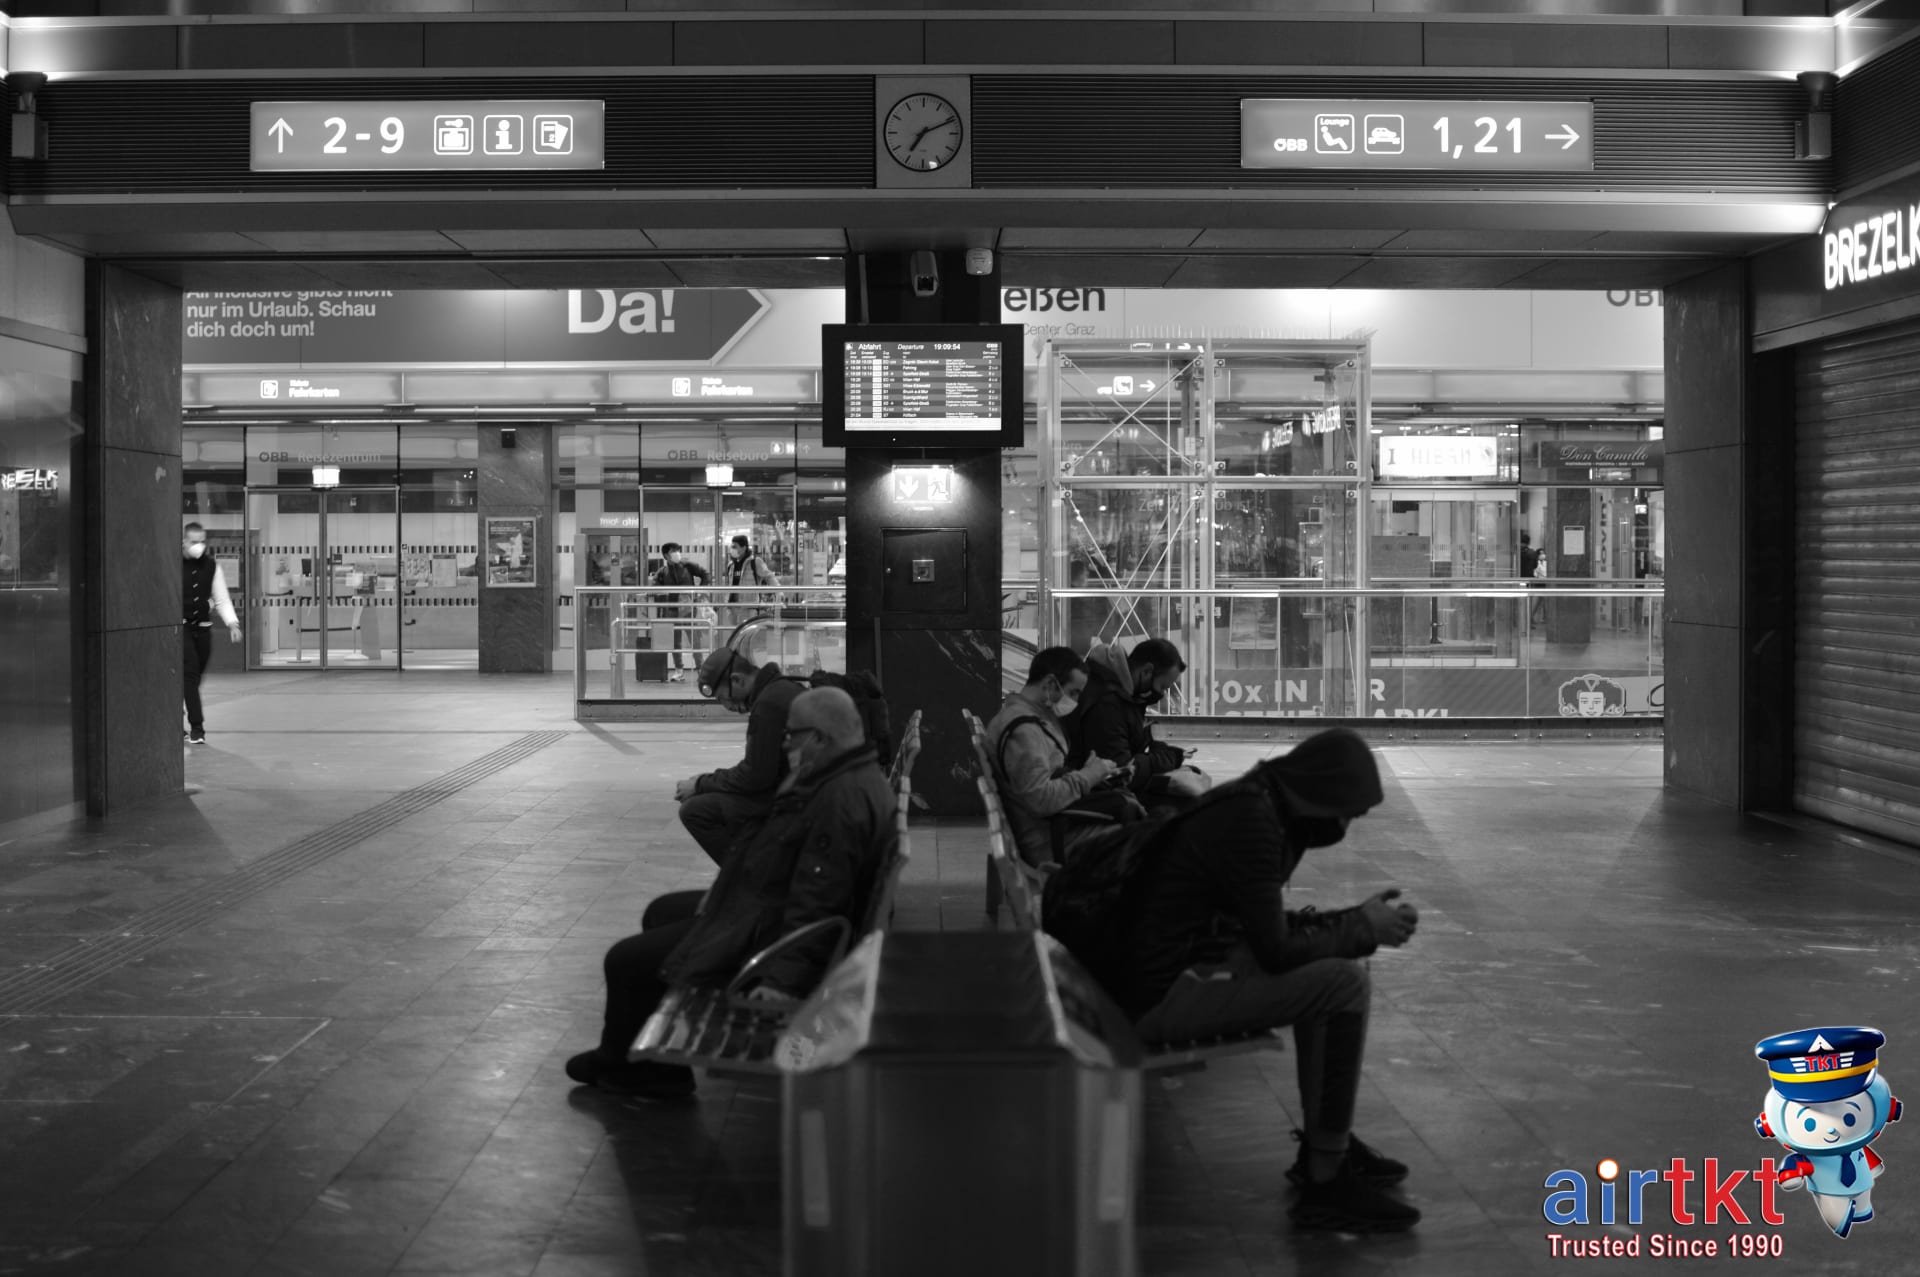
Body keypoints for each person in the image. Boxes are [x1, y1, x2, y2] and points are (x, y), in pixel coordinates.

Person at [1105, 729, 1422, 1233]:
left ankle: (1327, 1142)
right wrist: (1361, 928)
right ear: (1324, 793)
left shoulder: (1257, 802)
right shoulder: (1254, 822)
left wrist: (1353, 921)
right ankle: (1325, 1178)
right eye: (1348, 811)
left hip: (1171, 968)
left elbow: (1263, 928)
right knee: (1343, 984)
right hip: (1157, 994)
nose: (1346, 824)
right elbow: (1275, 951)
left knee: (1336, 969)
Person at [567, 688, 896, 1097]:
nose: (785, 743)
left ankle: (635, 1068)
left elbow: (819, 898)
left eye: (792, 735)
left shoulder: (838, 800)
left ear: (821, 739)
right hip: (766, 906)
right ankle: (656, 1061)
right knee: (662, 911)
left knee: (625, 960)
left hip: (769, 932)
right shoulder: (846, 777)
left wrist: (783, 978)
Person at [985, 646, 1120, 866]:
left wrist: (1090, 773)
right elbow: (1041, 799)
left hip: (1052, 830)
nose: (1075, 700)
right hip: (1049, 842)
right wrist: (1087, 776)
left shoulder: (1022, 715)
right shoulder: (1024, 730)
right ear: (1049, 684)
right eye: (1073, 692)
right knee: (1141, 840)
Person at [676, 645, 803, 864]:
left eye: (723, 698)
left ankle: (748, 880)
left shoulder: (768, 706)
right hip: (799, 790)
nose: (727, 706)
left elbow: (755, 776)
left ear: (737, 680)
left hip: (793, 801)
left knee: (695, 811)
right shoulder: (783, 688)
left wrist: (700, 784)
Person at [1066, 637, 1208, 810]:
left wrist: (1164, 751)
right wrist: (1168, 759)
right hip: (1095, 794)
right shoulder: (1107, 702)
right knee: (1186, 803)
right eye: (1162, 686)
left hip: (1103, 788)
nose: (1161, 694)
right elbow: (1121, 771)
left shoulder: (1123, 693)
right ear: (1147, 671)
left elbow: (1129, 743)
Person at [182, 522, 241, 745]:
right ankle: (198, 728)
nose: (199, 546)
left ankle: (174, 717)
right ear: (184, 542)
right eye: (194, 541)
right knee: (189, 675)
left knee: (194, 678)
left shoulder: (212, 567)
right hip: (182, 627)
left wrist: (232, 624)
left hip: (203, 629)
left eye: (202, 541)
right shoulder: (174, 565)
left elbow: (222, 598)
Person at [651, 543, 710, 682]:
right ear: (666, 555)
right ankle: (679, 671)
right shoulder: (662, 571)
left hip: (688, 608)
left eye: (678, 550)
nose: (677, 553)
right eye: (673, 551)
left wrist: (700, 591)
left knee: (694, 639)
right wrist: (659, 592)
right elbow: (654, 586)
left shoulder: (687, 565)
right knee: (675, 642)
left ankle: (700, 669)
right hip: (671, 609)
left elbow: (705, 574)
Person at [723, 533, 779, 626]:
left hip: (748, 608)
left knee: (748, 635)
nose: (732, 549)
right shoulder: (731, 565)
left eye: (735, 547)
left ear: (743, 547)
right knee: (736, 636)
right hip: (732, 608)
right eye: (732, 546)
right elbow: (728, 585)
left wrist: (779, 591)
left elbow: (769, 576)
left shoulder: (754, 562)